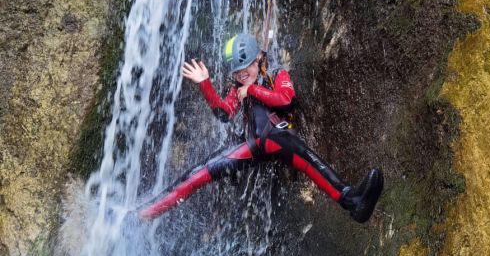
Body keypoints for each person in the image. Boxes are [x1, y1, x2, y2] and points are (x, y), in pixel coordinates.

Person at [138, 34, 383, 223]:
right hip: (252, 145)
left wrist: (253, 90)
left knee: (311, 161)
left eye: (247, 70)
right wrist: (205, 85)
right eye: (238, 74)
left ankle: (354, 201)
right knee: (199, 173)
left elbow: (286, 98)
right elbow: (224, 114)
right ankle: (145, 214)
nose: (243, 76)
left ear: (258, 59)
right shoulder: (237, 88)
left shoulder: (276, 73)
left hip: (280, 137)